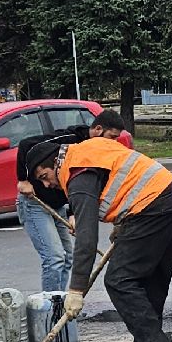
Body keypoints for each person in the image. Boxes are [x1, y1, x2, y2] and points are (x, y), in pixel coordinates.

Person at [26, 126, 172, 342]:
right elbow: (122, 178)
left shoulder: (76, 175)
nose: (47, 184)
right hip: (170, 199)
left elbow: (87, 241)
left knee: (119, 280)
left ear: (54, 162)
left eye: (44, 176)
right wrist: (121, 222)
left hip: (152, 208)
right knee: (149, 281)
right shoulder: (87, 150)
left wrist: (76, 291)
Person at [13, 110, 133, 295]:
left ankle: (61, 302)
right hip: (35, 203)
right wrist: (24, 180)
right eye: (111, 137)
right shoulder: (70, 138)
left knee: (67, 257)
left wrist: (73, 214)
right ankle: (50, 309)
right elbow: (26, 144)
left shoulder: (97, 151)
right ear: (98, 129)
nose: (113, 142)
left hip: (59, 205)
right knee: (55, 258)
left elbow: (80, 187)